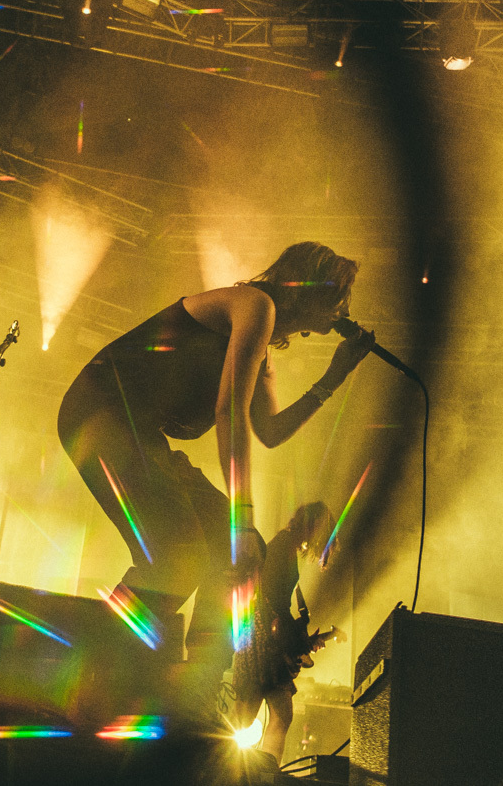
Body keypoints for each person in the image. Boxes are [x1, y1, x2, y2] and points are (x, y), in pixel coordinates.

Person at [57, 242, 374, 682]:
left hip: (138, 433)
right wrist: (240, 520)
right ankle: (92, 667)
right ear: (309, 289)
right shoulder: (254, 305)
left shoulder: (261, 344)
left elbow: (270, 431)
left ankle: (199, 678)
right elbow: (230, 412)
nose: (345, 307)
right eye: (339, 293)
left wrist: (332, 379)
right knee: (179, 552)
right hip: (101, 412)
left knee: (244, 553)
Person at [232, 501, 340, 764]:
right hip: (262, 641)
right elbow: (268, 597)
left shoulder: (286, 546)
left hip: (263, 639)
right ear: (312, 526)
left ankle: (263, 774)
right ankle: (232, 771)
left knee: (271, 715)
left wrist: (301, 639)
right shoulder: (282, 546)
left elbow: (274, 601)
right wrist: (292, 637)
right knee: (248, 718)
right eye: (322, 532)